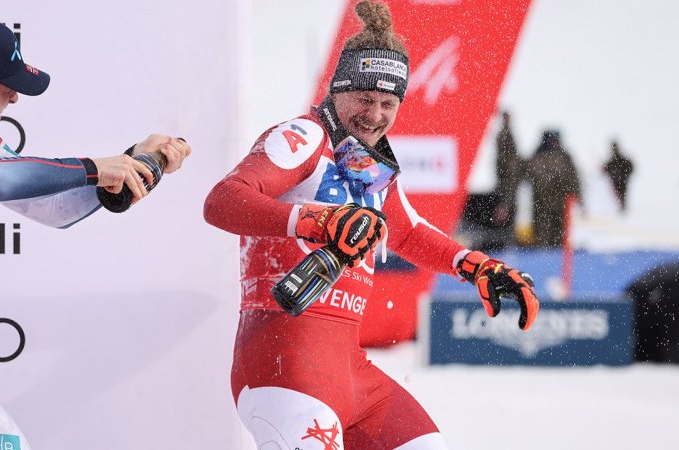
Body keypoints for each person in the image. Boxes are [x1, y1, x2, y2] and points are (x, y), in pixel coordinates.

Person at [203, 2, 539, 449]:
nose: (375, 115)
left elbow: (408, 233)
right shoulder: (303, 137)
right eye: (364, 99)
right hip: (282, 370)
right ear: (337, 90)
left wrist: (476, 265)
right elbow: (222, 202)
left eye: (388, 103)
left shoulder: (367, 163)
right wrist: (317, 220)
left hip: (353, 378)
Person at [0, 15, 190, 450]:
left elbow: (54, 209)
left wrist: (131, 161)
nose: (14, 98)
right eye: (6, 86)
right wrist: (95, 168)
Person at [525, 129, 582, 247]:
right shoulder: (538, 156)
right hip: (542, 203)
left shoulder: (564, 157)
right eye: (552, 139)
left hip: (561, 202)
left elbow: (573, 178)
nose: (555, 142)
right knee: (542, 236)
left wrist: (578, 196)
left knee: (560, 235)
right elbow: (533, 175)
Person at [602, 140, 634, 212]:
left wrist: (624, 175)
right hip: (616, 181)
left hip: (622, 181)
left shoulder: (620, 160)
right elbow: (605, 169)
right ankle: (620, 209)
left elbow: (630, 168)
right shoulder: (613, 161)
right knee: (617, 196)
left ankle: (622, 209)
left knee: (620, 195)